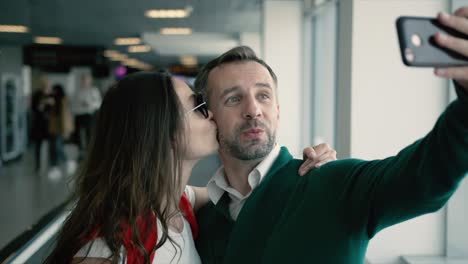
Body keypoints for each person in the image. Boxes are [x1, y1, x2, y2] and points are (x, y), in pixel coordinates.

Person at [193, 9, 468, 264]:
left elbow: (425, 180)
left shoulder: (332, 182)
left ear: (277, 110)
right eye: (233, 99)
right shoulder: (205, 220)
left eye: (263, 96)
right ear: (209, 115)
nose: (253, 110)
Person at [44, 72, 336, 264]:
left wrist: (314, 168)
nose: (211, 115)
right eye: (198, 106)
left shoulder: (178, 202)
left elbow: (245, 187)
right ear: (163, 132)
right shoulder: (107, 251)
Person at [72, 73, 102, 160]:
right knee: (78, 135)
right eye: (83, 80)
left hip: (89, 115)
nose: (84, 82)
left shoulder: (94, 91)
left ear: (90, 81)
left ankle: (89, 152)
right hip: (79, 115)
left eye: (86, 80)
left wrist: (89, 105)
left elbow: (98, 103)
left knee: (89, 134)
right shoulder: (77, 92)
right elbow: (73, 105)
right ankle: (80, 151)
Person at [48, 84, 74, 179]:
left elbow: (65, 116)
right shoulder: (53, 100)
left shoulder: (62, 100)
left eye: (54, 90)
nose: (53, 92)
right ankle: (56, 165)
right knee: (55, 146)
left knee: (57, 146)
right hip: (53, 128)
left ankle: (66, 162)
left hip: (60, 127)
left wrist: (65, 130)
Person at [31, 76, 54, 172]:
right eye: (44, 84)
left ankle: (51, 164)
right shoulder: (37, 94)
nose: (46, 86)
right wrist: (43, 103)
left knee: (52, 144)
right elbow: (35, 108)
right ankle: (38, 165)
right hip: (39, 123)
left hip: (50, 123)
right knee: (38, 145)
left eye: (47, 84)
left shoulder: (52, 94)